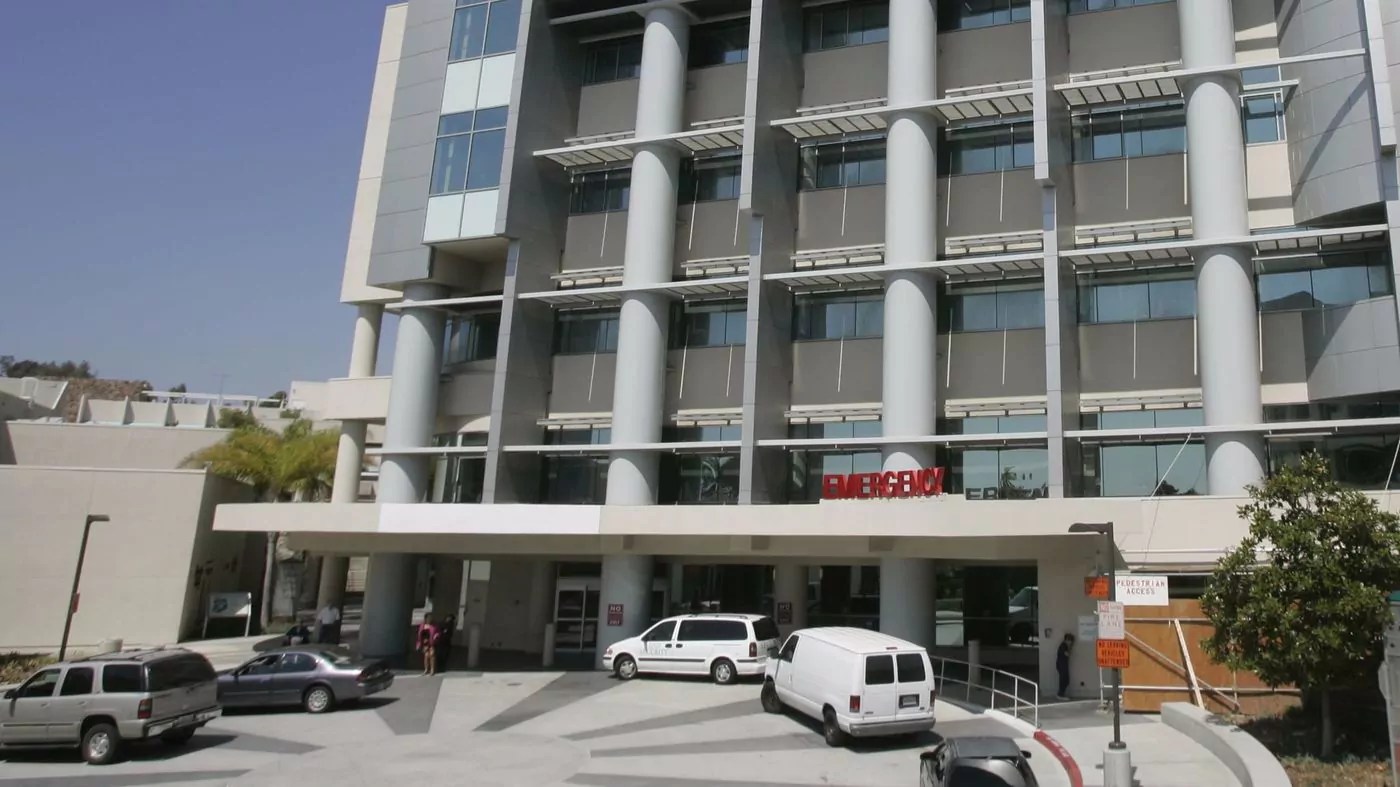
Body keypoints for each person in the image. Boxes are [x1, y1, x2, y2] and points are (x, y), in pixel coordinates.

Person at [1056, 633, 1075, 700]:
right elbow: (1067, 654)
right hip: (1061, 665)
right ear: (1067, 640)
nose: (1071, 643)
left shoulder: (1064, 645)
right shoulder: (1063, 646)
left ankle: (1061, 693)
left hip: (1062, 664)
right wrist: (1070, 647)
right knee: (1064, 679)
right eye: (1070, 641)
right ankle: (1060, 694)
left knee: (1066, 680)